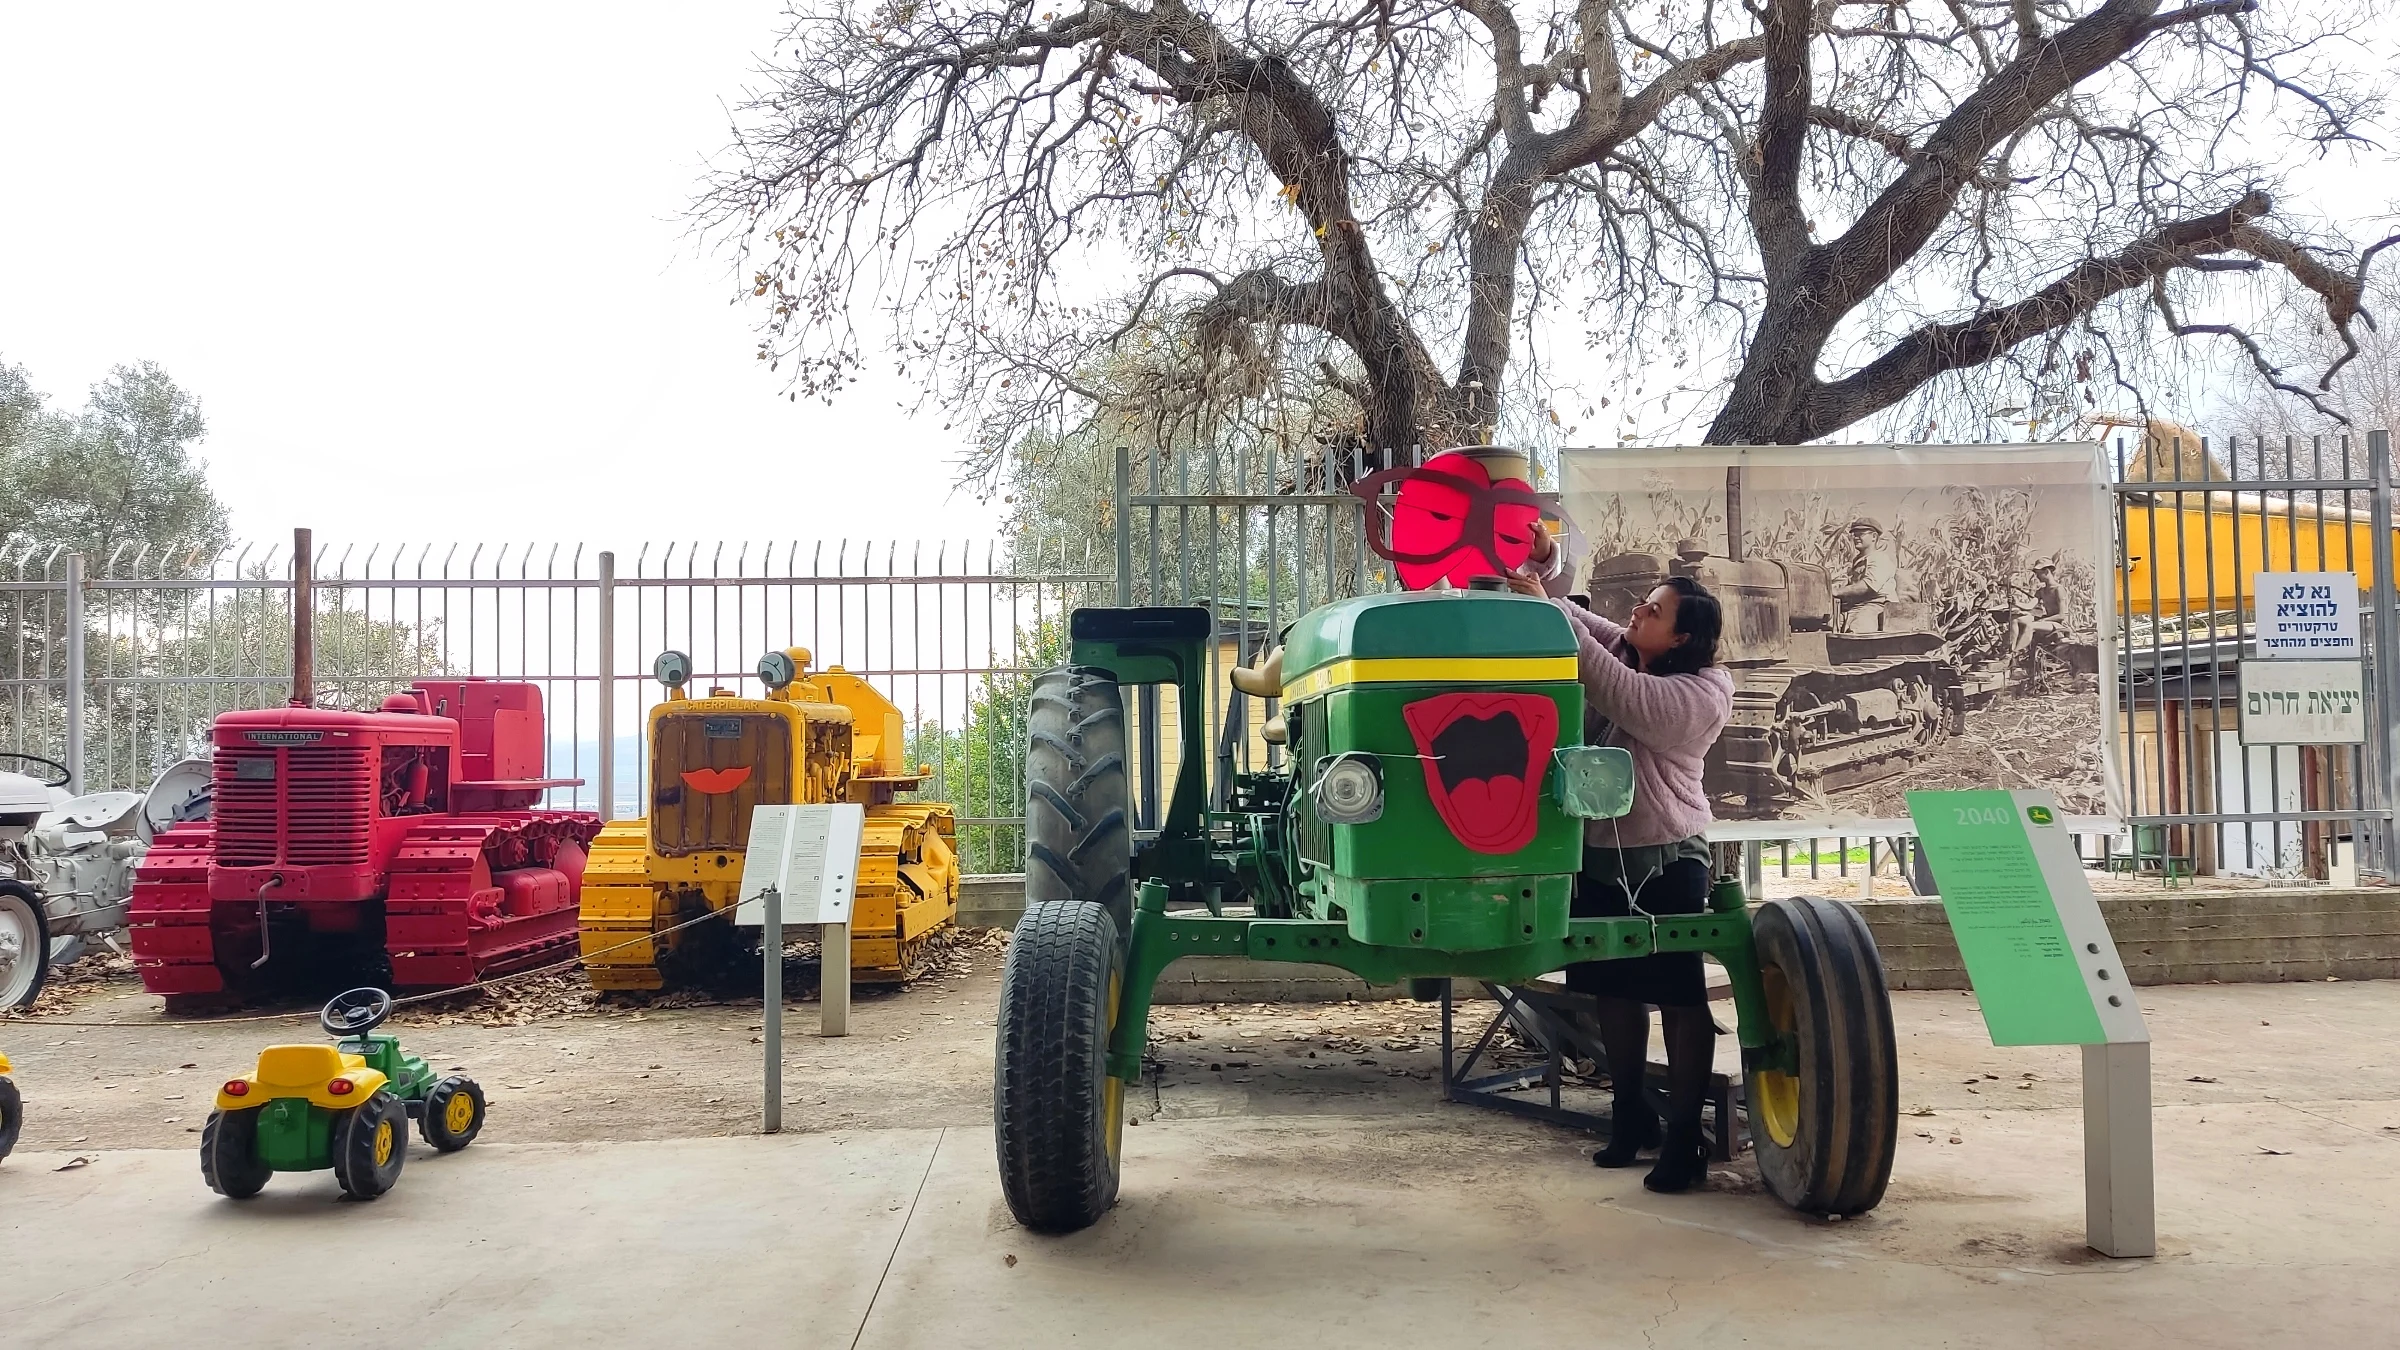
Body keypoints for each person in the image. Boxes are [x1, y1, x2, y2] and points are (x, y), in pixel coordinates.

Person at [1510, 530, 1735, 1192]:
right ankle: (1630, 1113)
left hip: (1668, 860)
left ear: (1684, 639)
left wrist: (1548, 611)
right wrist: (1544, 567)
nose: (1636, 612)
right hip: (1604, 856)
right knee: (1613, 991)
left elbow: (1611, 687)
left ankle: (1685, 1137)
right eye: (1641, 604)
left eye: (1654, 611)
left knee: (1678, 997)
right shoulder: (1634, 651)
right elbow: (1573, 614)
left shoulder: (1703, 691)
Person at [1834, 517, 1899, 633]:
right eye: (1854, 534)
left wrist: (1836, 591)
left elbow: (1868, 586)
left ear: (1874, 537)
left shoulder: (1879, 558)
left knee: (1858, 632)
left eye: (1861, 534)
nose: (1855, 537)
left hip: (1876, 607)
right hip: (1854, 608)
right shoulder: (1857, 561)